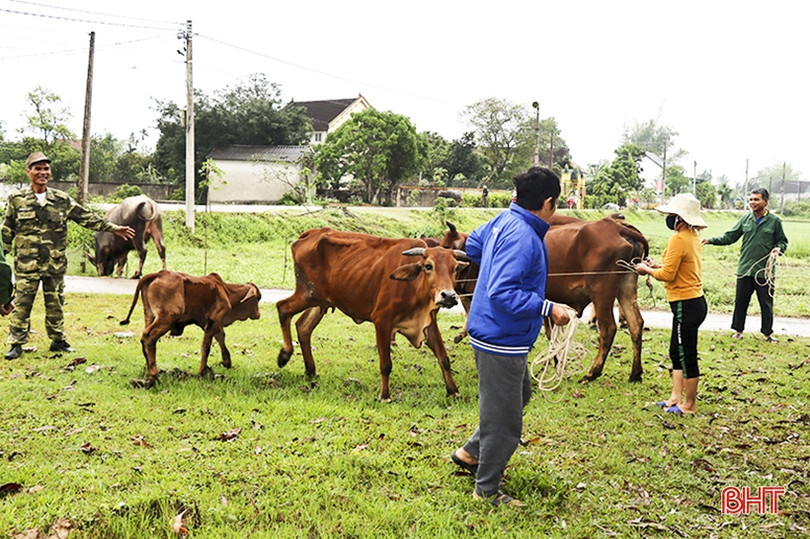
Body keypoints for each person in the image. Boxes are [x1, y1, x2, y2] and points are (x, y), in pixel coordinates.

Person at [450, 167, 571, 507]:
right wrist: (549, 308)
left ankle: (470, 453)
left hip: (494, 332)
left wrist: (491, 256)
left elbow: (473, 244)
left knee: (519, 395)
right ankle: (486, 490)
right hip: (500, 338)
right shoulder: (523, 236)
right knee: (505, 423)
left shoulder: (504, 221)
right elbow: (503, 292)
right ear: (549, 202)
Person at [2, 152, 136, 360]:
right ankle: (16, 343)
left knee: (55, 302)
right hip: (26, 264)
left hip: (54, 264)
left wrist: (113, 228)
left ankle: (58, 340)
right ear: (28, 172)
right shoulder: (16, 199)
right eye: (38, 169)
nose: (43, 173)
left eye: (46, 169)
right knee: (22, 303)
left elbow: (86, 217)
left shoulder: (61, 200)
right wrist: (2, 255)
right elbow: (7, 230)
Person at [635, 193, 707, 415]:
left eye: (673, 215)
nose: (669, 219)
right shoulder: (691, 236)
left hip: (687, 304)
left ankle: (689, 405)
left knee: (686, 355)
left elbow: (667, 274)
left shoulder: (678, 239)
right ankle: (675, 398)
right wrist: (656, 264)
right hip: (691, 302)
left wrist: (647, 270)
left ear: (681, 218)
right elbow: (677, 267)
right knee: (676, 352)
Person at [702, 188, 788, 342]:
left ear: (765, 202)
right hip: (745, 269)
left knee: (766, 304)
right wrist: (710, 240)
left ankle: (767, 333)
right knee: (740, 302)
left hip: (764, 272)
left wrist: (778, 248)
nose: (752, 202)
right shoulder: (745, 219)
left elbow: (782, 241)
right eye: (751, 199)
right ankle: (738, 331)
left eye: (756, 199)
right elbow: (730, 236)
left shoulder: (775, 221)